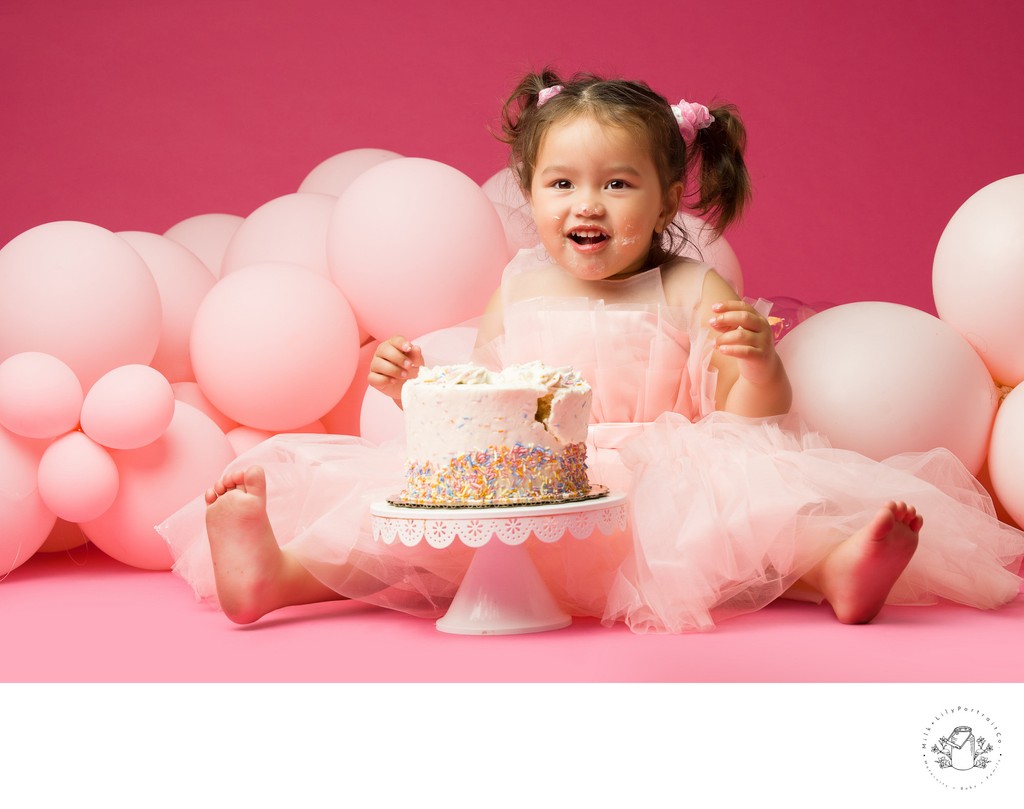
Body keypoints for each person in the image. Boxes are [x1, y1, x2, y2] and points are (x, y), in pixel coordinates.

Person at [158, 69, 1023, 633]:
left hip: (656, 477)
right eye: (563, 183)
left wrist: (756, 361)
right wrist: (415, 382)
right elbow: (485, 395)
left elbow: (756, 423)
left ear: (665, 198)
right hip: (529, 481)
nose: (590, 203)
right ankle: (283, 571)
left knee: (755, 519)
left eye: (618, 183)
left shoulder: (687, 289)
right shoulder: (521, 286)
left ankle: (838, 567)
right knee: (395, 528)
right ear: (528, 195)